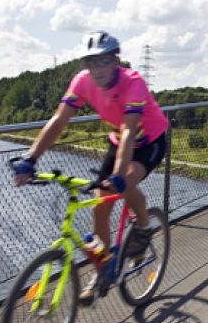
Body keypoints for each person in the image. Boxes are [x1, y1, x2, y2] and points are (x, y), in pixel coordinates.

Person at [12, 30, 169, 305]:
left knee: (126, 181)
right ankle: (104, 270)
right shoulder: (82, 81)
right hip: (117, 140)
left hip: (149, 140)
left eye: (103, 61)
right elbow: (60, 120)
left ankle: (144, 226)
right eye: (90, 62)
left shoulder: (133, 83)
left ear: (115, 60)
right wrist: (31, 157)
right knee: (100, 205)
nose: (96, 68)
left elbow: (130, 132)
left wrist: (119, 176)